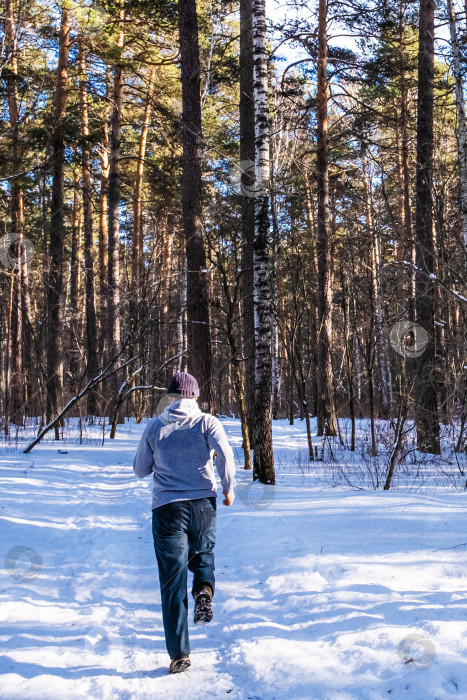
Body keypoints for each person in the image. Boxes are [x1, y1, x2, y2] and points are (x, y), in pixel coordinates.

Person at [133, 371, 236, 674]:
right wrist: (228, 488)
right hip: (203, 503)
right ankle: (204, 589)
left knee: (172, 579)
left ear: (170, 397)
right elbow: (226, 457)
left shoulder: (155, 426)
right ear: (195, 396)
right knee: (203, 553)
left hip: (166, 509)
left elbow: (140, 469)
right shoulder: (207, 422)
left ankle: (179, 653)